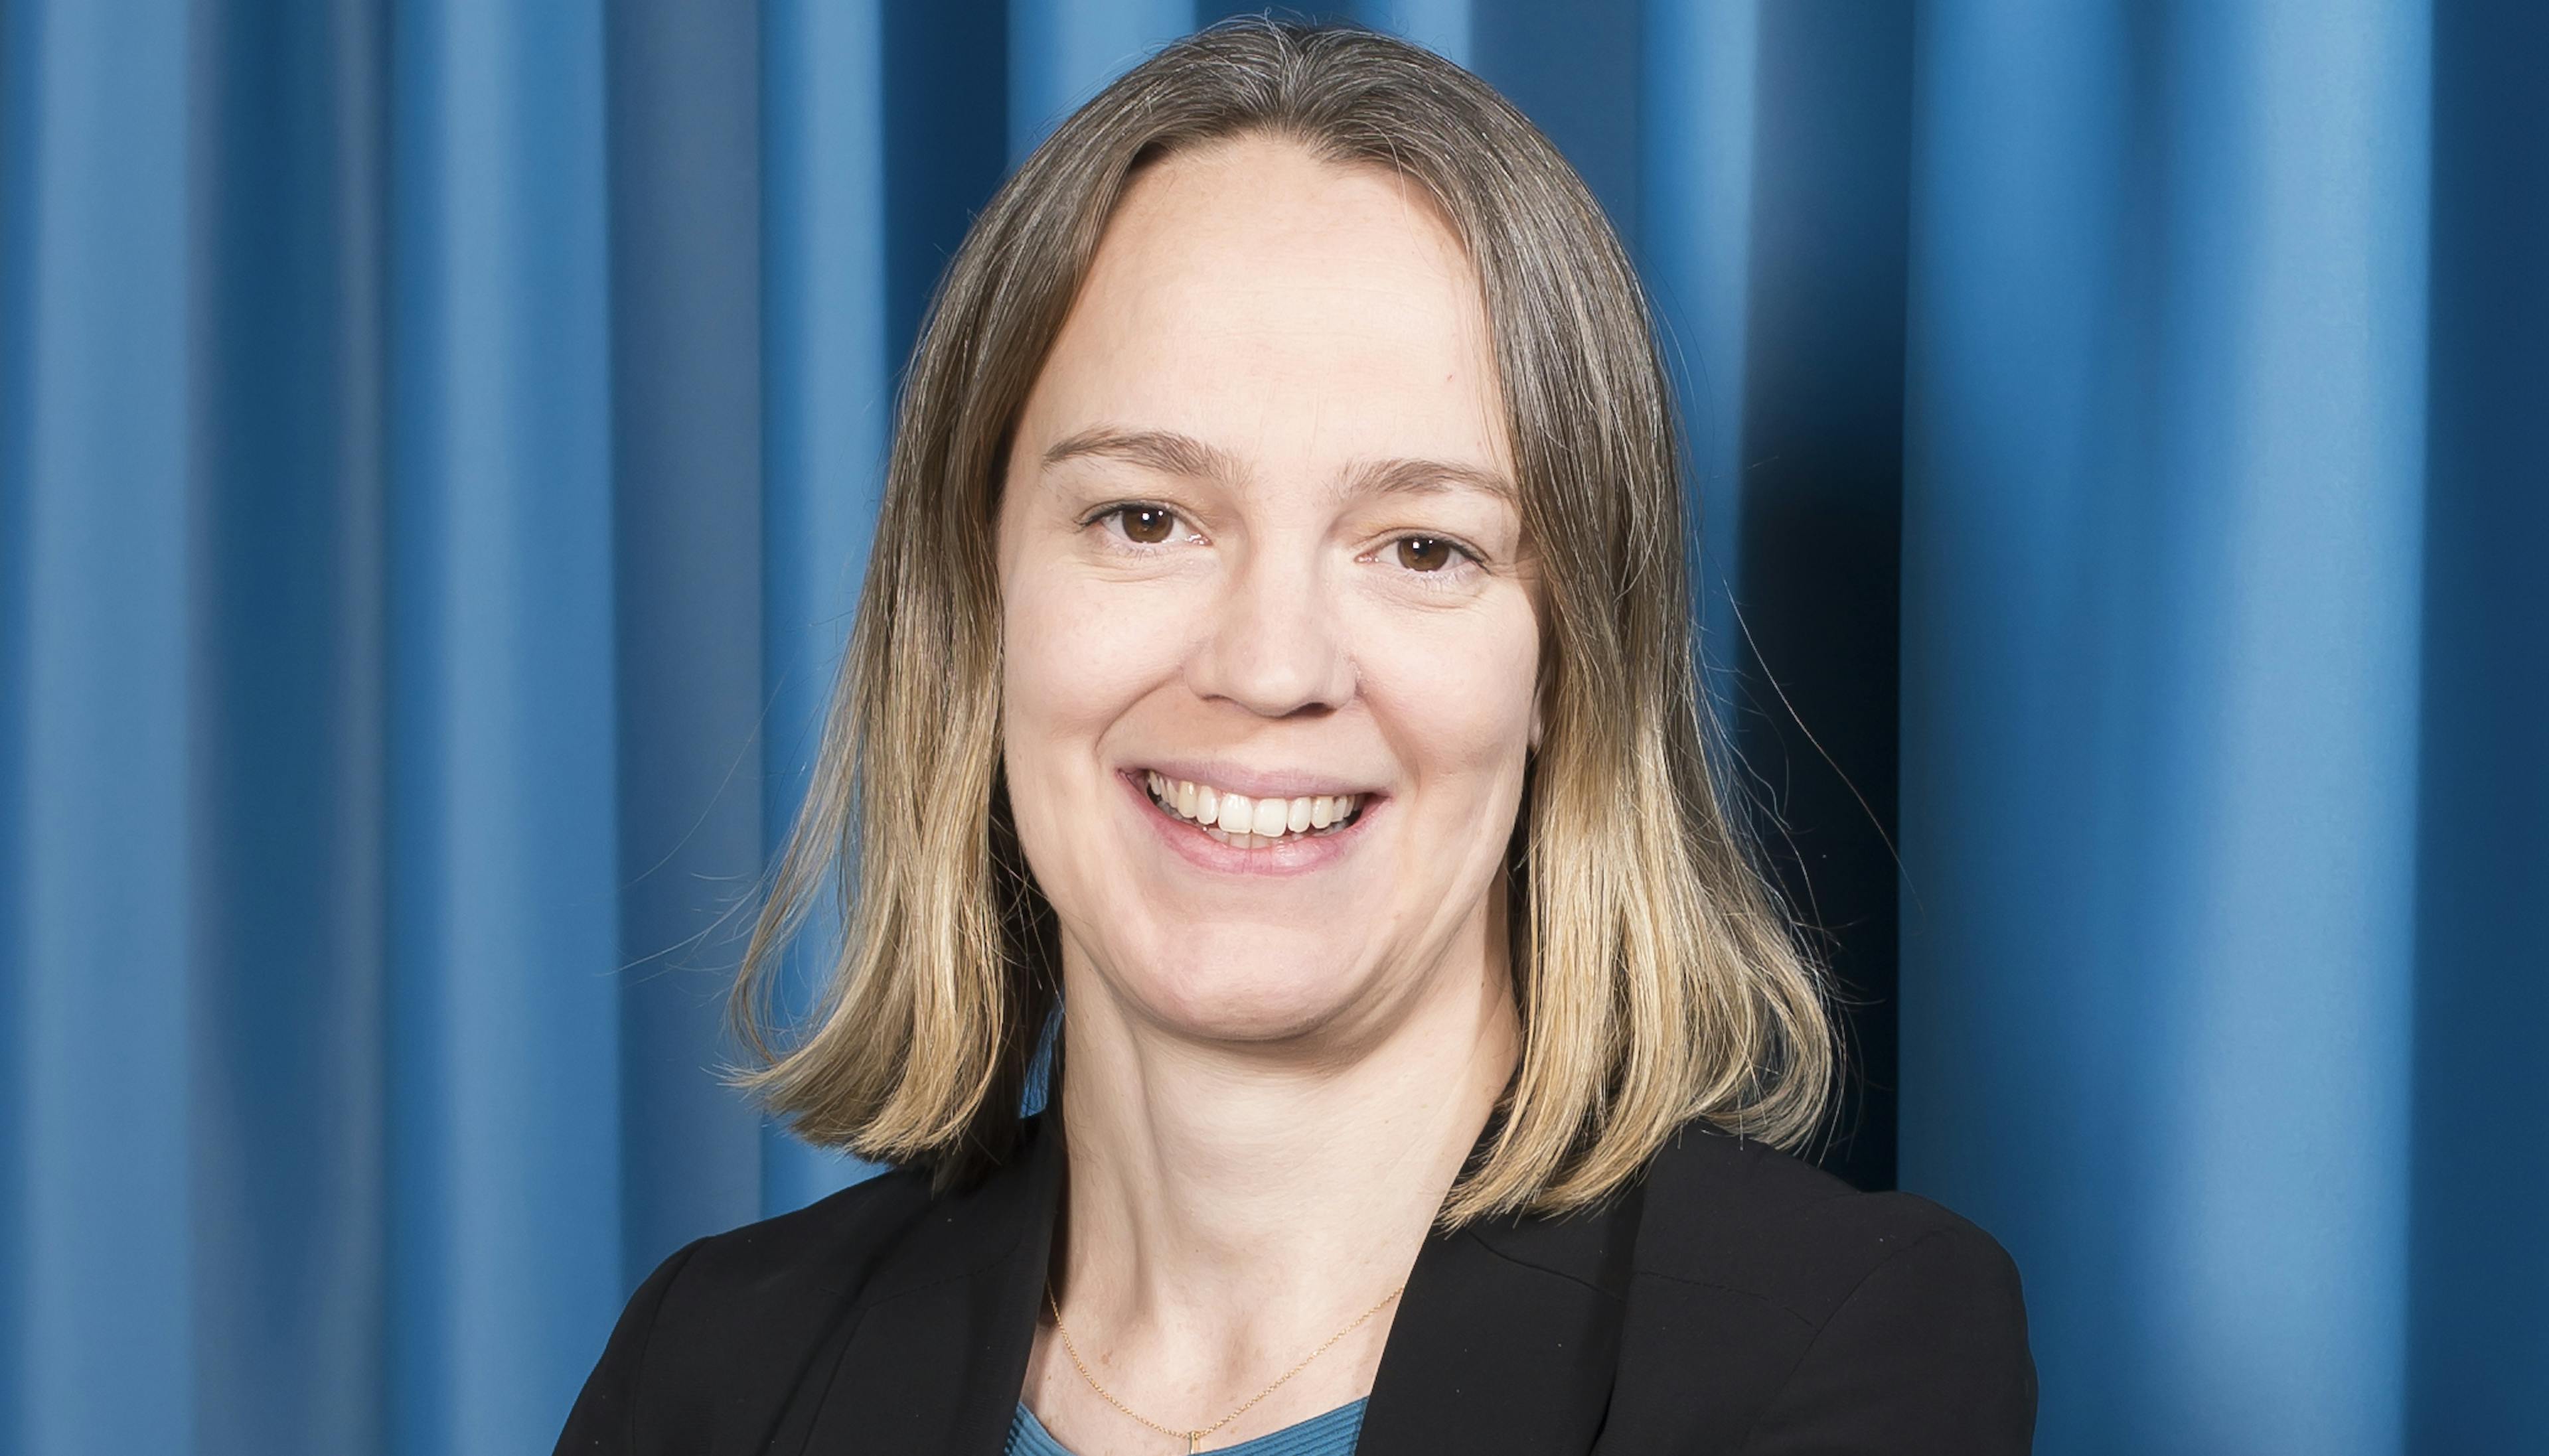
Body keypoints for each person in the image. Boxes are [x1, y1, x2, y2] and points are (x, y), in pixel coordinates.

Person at [556, 18, 2034, 1456]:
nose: (1270, 666)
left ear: (1563, 668)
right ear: (974, 599)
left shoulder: (1832, 1350)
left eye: (1421, 545)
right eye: (1146, 517)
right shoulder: (714, 1366)